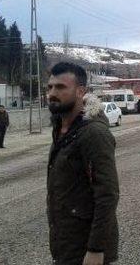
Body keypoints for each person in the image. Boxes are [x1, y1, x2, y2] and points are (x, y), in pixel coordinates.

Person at [46, 62, 119, 265]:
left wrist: (96, 249)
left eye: (60, 87)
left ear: (80, 91)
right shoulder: (60, 129)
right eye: (50, 87)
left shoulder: (93, 133)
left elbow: (107, 195)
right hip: (65, 247)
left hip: (87, 252)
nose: (52, 93)